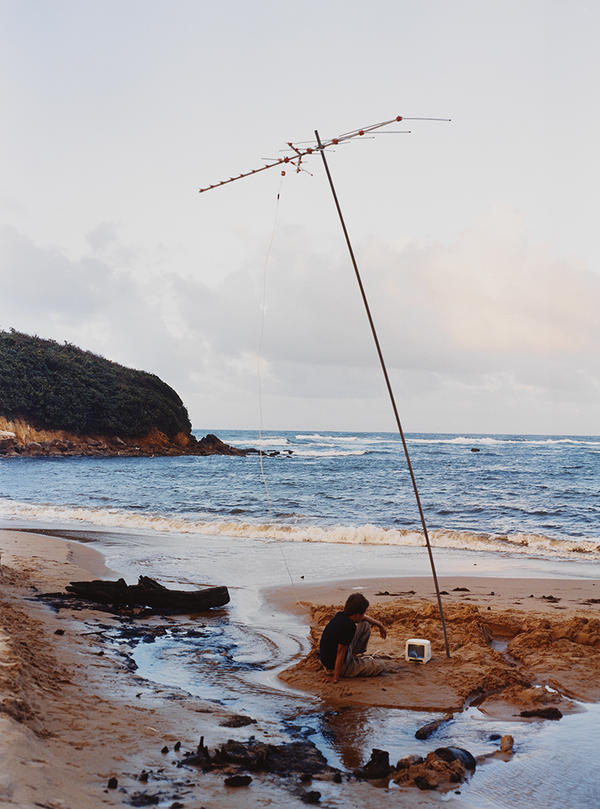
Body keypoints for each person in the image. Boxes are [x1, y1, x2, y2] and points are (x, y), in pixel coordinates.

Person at [319, 592, 387, 683]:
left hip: (331, 657)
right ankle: (349, 665)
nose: (364, 615)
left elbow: (364, 618)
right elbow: (340, 651)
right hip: (335, 666)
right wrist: (335, 677)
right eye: (363, 613)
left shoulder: (341, 615)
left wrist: (380, 625)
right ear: (357, 614)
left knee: (365, 625)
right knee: (380, 665)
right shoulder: (349, 627)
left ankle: (354, 657)